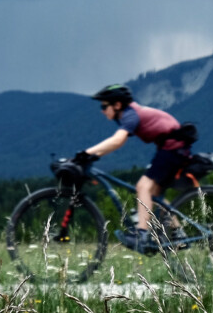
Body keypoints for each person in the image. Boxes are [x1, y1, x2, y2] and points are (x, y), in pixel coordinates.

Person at [76, 84, 193, 249]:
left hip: (172, 148)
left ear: (117, 105)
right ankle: (178, 234)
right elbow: (118, 142)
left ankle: (141, 235)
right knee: (155, 194)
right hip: (174, 147)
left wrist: (86, 153)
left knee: (143, 186)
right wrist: (92, 154)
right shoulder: (130, 113)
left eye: (104, 106)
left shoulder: (130, 115)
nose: (102, 110)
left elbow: (117, 140)